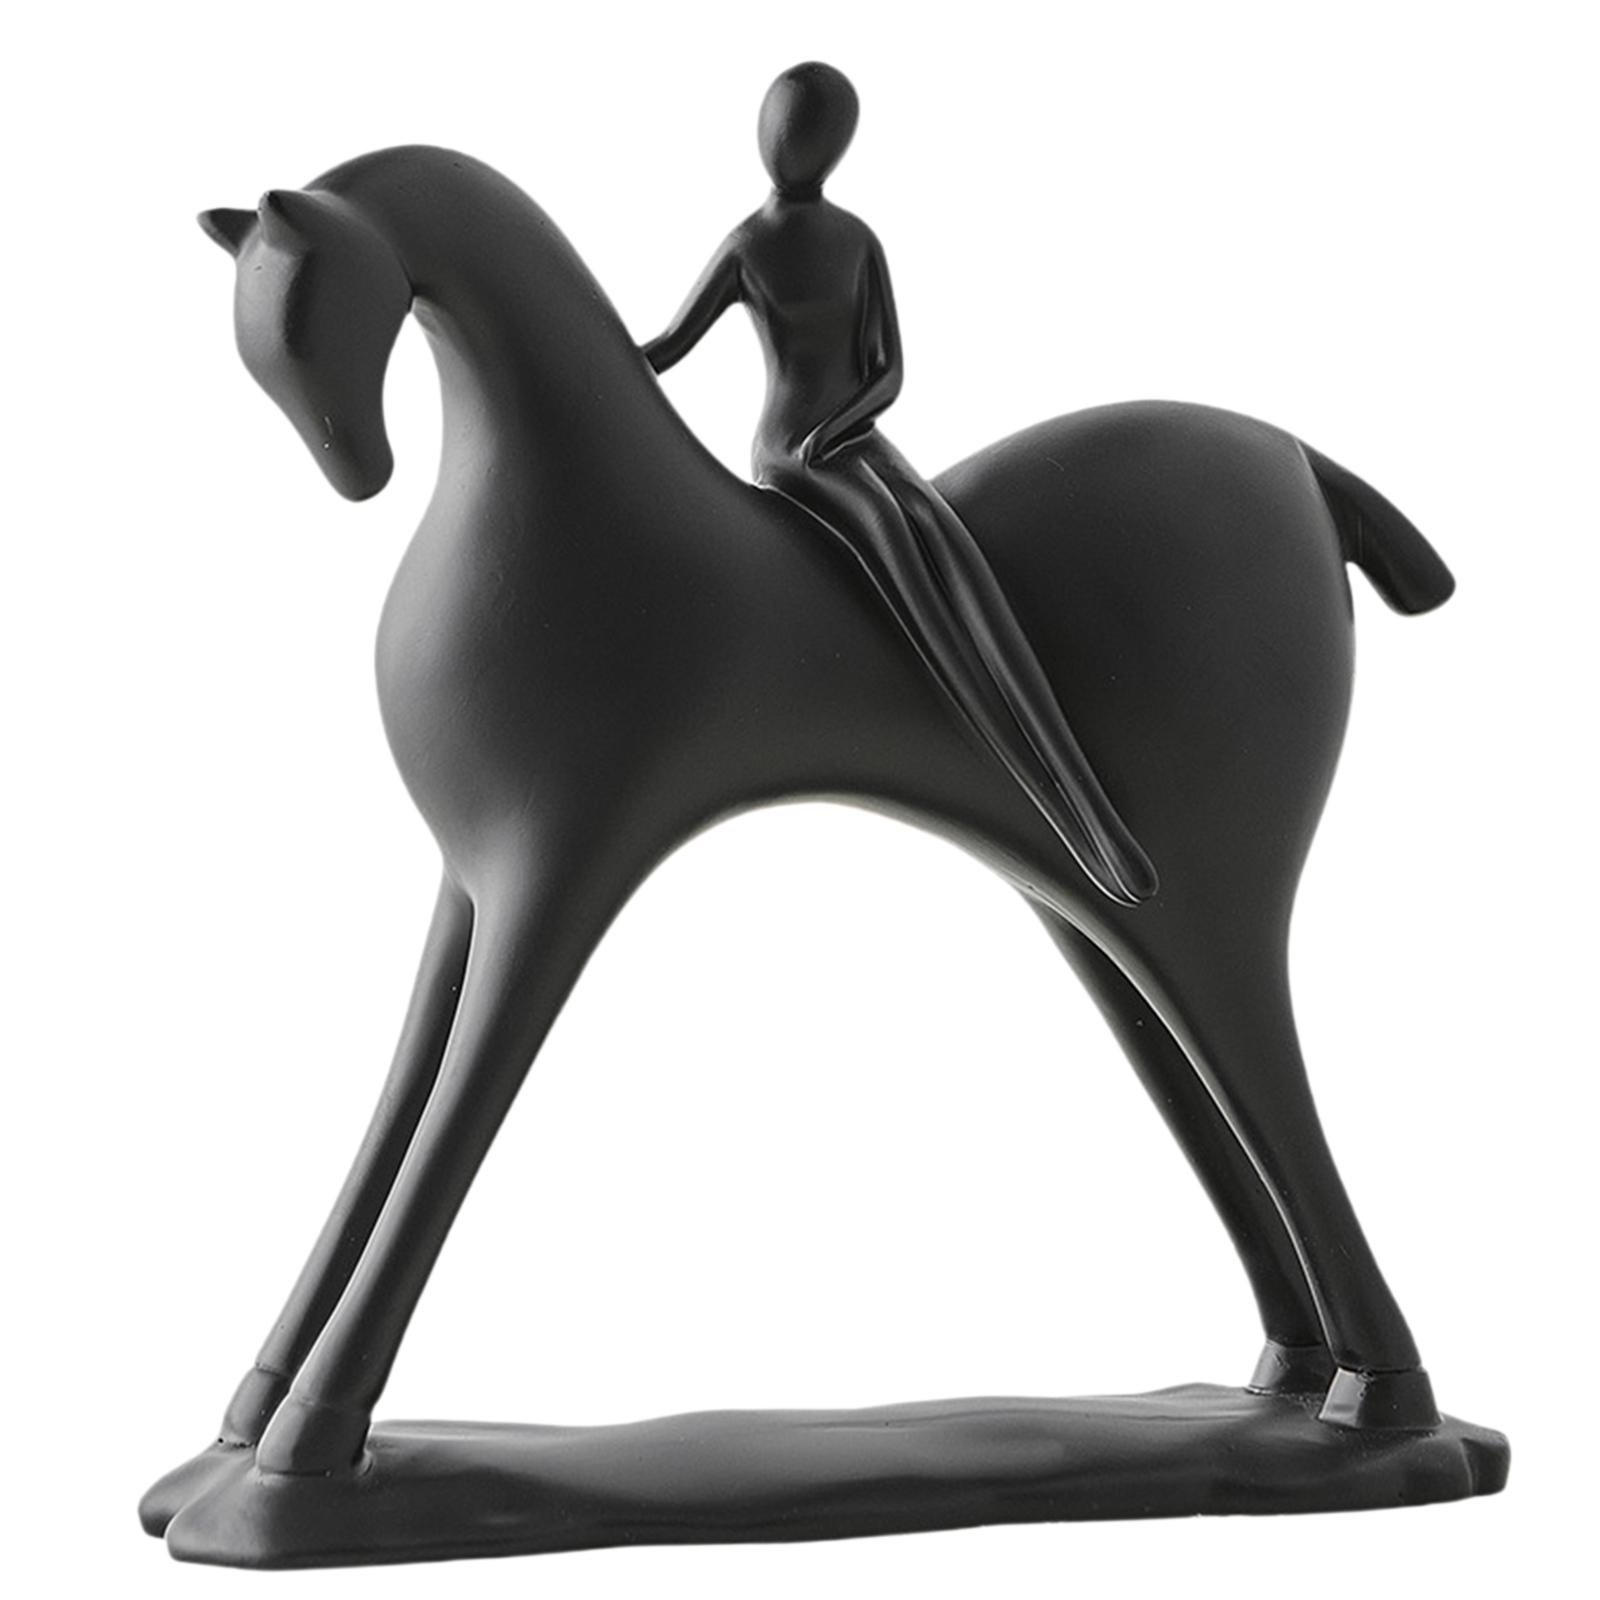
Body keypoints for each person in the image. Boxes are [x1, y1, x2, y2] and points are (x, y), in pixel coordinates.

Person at [642, 62, 1156, 906]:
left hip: (853, 436)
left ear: (834, 146)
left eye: (808, 133)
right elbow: (667, 347)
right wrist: (588, 345)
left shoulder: (857, 241)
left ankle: (1088, 804)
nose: (790, 147)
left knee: (950, 545)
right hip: (792, 451)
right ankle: (1053, 804)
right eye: (784, 129)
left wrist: (845, 423)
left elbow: (889, 371)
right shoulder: (747, 246)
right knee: (897, 548)